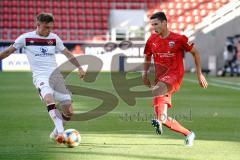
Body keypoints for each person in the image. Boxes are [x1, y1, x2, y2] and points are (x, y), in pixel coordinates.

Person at [0, 13, 85, 144]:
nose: (49, 30)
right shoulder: (26, 38)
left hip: (56, 77)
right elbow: (7, 52)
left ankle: (55, 133)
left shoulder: (54, 38)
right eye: (46, 27)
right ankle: (61, 131)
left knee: (68, 112)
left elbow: (67, 53)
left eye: (51, 27)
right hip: (41, 76)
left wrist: (79, 68)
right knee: (48, 98)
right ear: (38, 25)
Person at [142, 12, 208, 147]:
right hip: (159, 79)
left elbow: (195, 53)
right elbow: (147, 57)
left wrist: (199, 74)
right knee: (163, 117)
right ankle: (188, 134)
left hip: (175, 76)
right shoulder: (151, 40)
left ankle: (159, 121)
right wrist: (144, 73)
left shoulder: (179, 39)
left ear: (164, 23)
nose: (154, 27)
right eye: (152, 25)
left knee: (159, 90)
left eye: (156, 24)